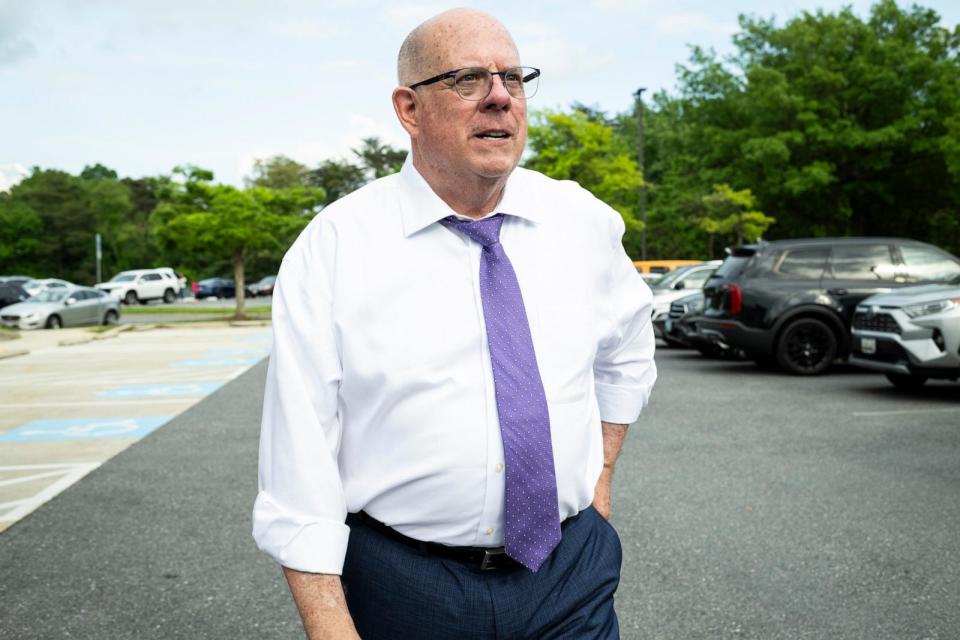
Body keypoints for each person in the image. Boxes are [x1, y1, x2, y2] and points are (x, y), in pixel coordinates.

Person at [253, 8, 656, 639]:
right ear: (409, 110)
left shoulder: (582, 221)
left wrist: (599, 482)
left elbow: (628, 351)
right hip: (407, 587)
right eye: (468, 80)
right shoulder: (336, 245)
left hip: (568, 574)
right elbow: (299, 453)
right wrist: (330, 625)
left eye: (514, 79)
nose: (500, 98)